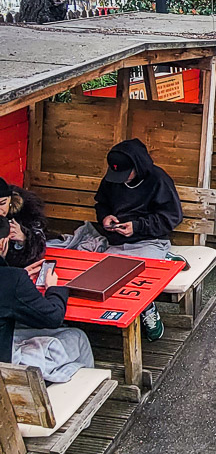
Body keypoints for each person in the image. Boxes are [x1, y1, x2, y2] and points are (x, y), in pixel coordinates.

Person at [94, 139, 183, 341]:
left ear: (138, 166)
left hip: (150, 240)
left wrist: (137, 226)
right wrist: (105, 218)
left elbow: (172, 217)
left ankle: (147, 309)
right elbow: (102, 204)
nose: (120, 178)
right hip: (117, 241)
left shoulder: (158, 180)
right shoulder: (111, 179)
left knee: (139, 273)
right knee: (106, 275)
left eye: (126, 173)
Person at [0, 216, 93, 381]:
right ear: (2, 243)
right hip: (6, 367)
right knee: (77, 337)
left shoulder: (12, 278)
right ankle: (82, 391)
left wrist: (17, 276)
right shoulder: (12, 279)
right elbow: (53, 317)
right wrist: (53, 289)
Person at [0, 177, 47, 269]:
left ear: (11, 199)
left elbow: (39, 246)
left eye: (2, 203)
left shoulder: (26, 213)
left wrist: (23, 239)